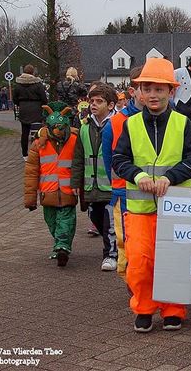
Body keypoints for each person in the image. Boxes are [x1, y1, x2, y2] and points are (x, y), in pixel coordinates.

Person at [112, 58, 191, 333]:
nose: (153, 95)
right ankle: (144, 308)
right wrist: (138, 176)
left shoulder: (183, 123)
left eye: (159, 89)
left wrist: (169, 178)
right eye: (147, 89)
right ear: (139, 91)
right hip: (139, 209)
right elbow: (119, 159)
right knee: (139, 261)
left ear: (170, 92)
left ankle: (173, 309)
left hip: (176, 208)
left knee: (174, 260)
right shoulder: (130, 124)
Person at [102, 65, 144, 280]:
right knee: (127, 242)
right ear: (133, 90)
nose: (150, 93)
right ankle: (133, 284)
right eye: (145, 87)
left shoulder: (174, 120)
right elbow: (109, 162)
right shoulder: (115, 123)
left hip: (159, 194)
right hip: (124, 194)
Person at [71, 84, 118, 272]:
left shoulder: (117, 125)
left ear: (111, 105)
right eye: (92, 101)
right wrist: (76, 182)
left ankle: (111, 254)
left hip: (110, 185)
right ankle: (117, 248)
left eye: (99, 101)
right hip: (91, 186)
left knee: (110, 223)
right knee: (96, 218)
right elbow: (77, 158)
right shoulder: (84, 128)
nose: (94, 105)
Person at [24, 102, 77, 267]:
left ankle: (62, 247)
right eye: (55, 127)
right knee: (52, 221)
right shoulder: (39, 144)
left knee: (66, 221)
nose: (58, 131)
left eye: (61, 127)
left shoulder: (75, 140)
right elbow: (31, 172)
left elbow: (80, 166)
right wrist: (30, 199)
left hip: (68, 192)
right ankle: (58, 244)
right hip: (48, 192)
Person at [13, 64, 48, 161]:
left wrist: (20, 104)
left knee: (24, 132)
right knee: (38, 132)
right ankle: (38, 151)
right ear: (33, 72)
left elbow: (15, 99)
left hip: (23, 109)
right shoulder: (38, 84)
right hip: (36, 109)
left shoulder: (18, 85)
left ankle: (25, 154)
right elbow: (44, 98)